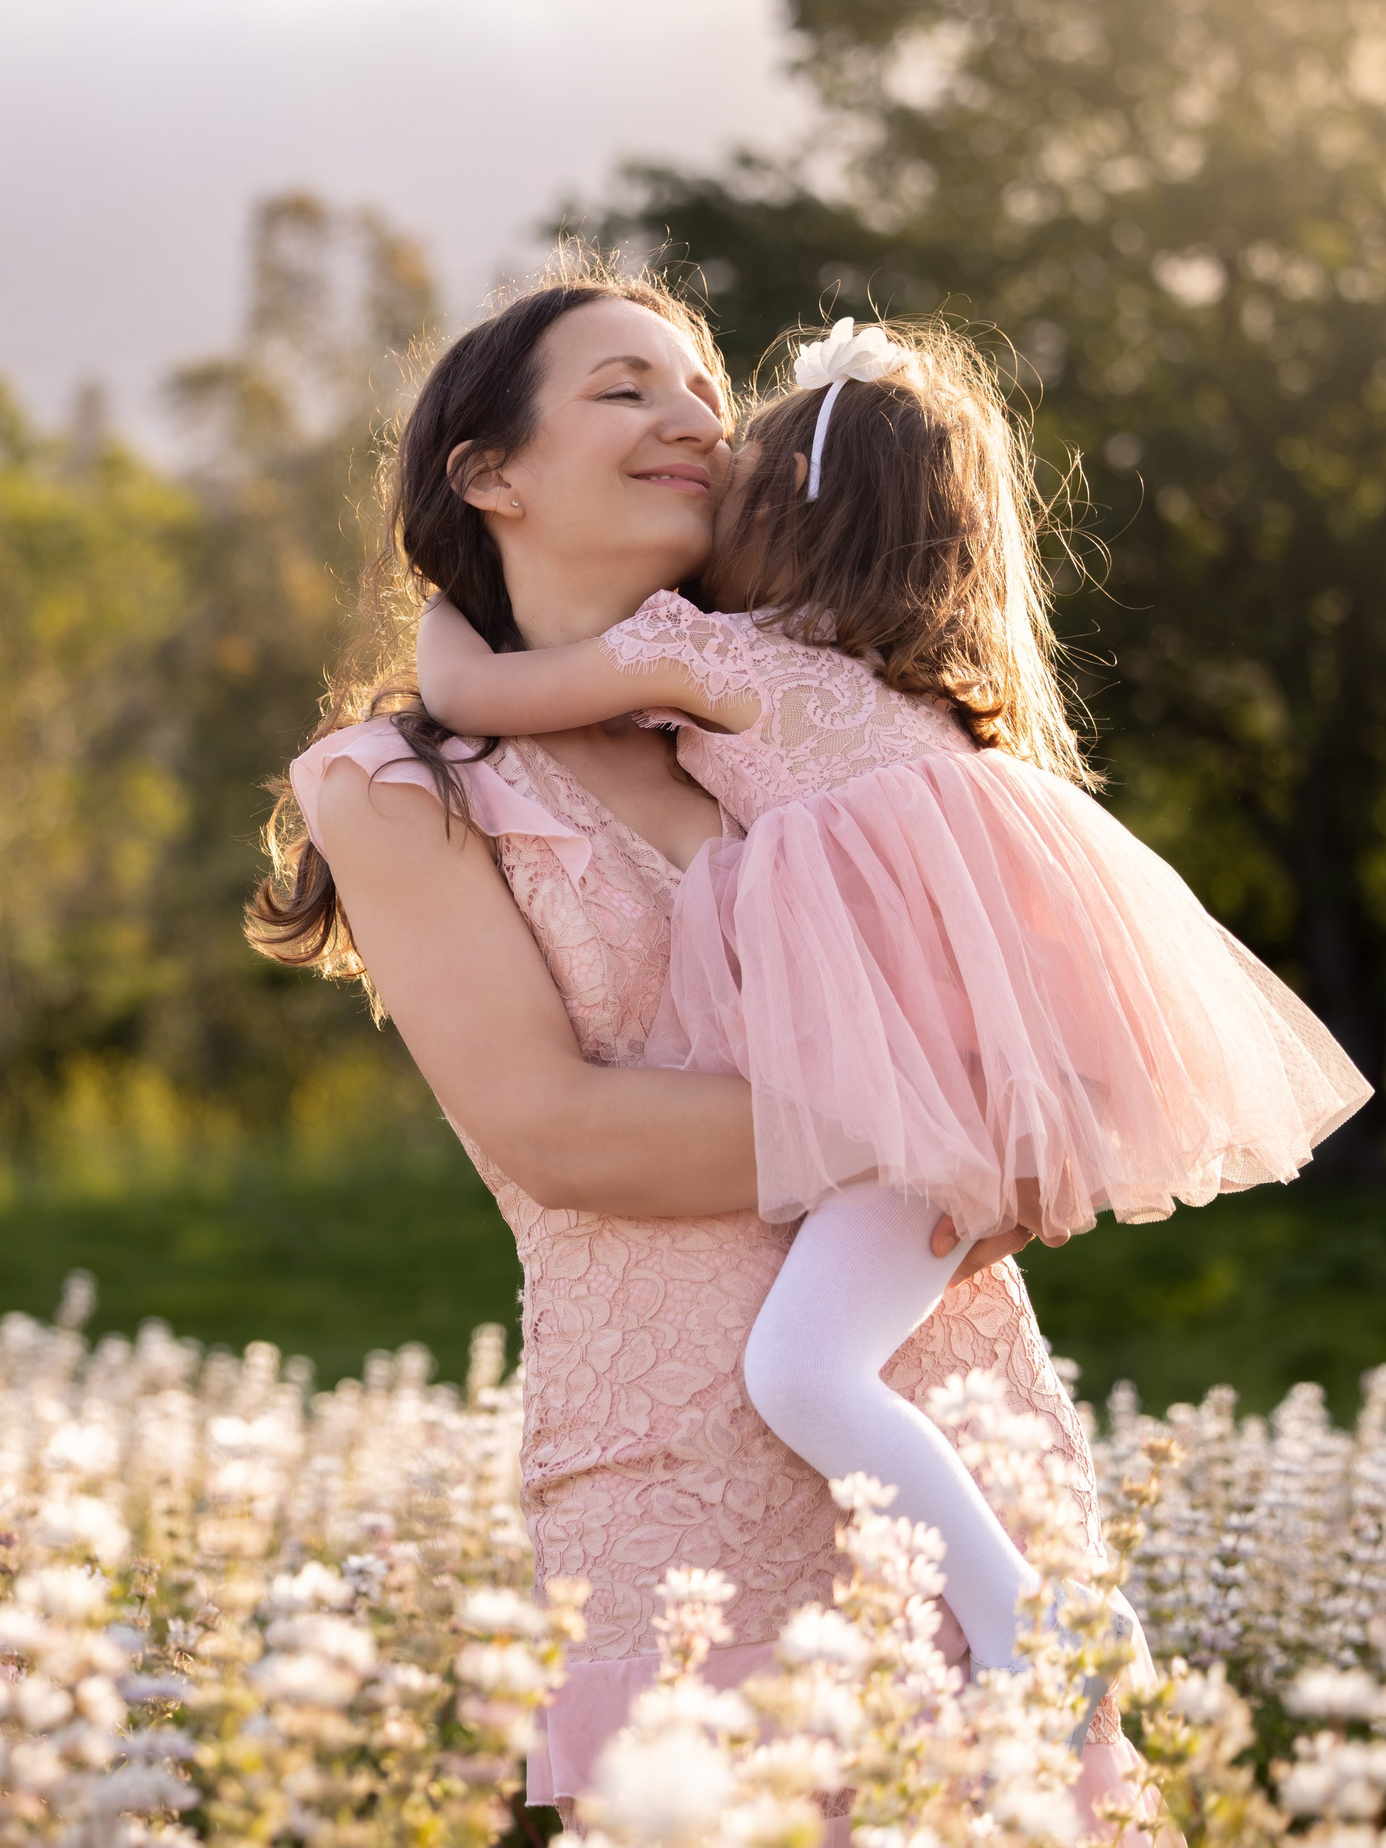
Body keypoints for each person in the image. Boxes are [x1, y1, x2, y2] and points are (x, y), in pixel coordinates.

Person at [247, 270, 1146, 1817]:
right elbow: (561, 1131)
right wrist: (947, 1119)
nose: (690, 421)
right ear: (490, 472)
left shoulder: (799, 707)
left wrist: (1023, 1108)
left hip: (953, 1436)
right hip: (679, 1483)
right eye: (625, 389)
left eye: (706, 398)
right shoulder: (397, 782)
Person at [409, 313, 1372, 1691]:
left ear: (778, 523)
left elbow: (478, 693)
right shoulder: (911, 693)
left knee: (802, 1377)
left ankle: (1041, 1629)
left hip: (913, 1106)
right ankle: (1046, 1623)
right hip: (981, 1092)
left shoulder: (718, 658)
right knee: (816, 1366)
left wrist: (444, 604)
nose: (692, 447)